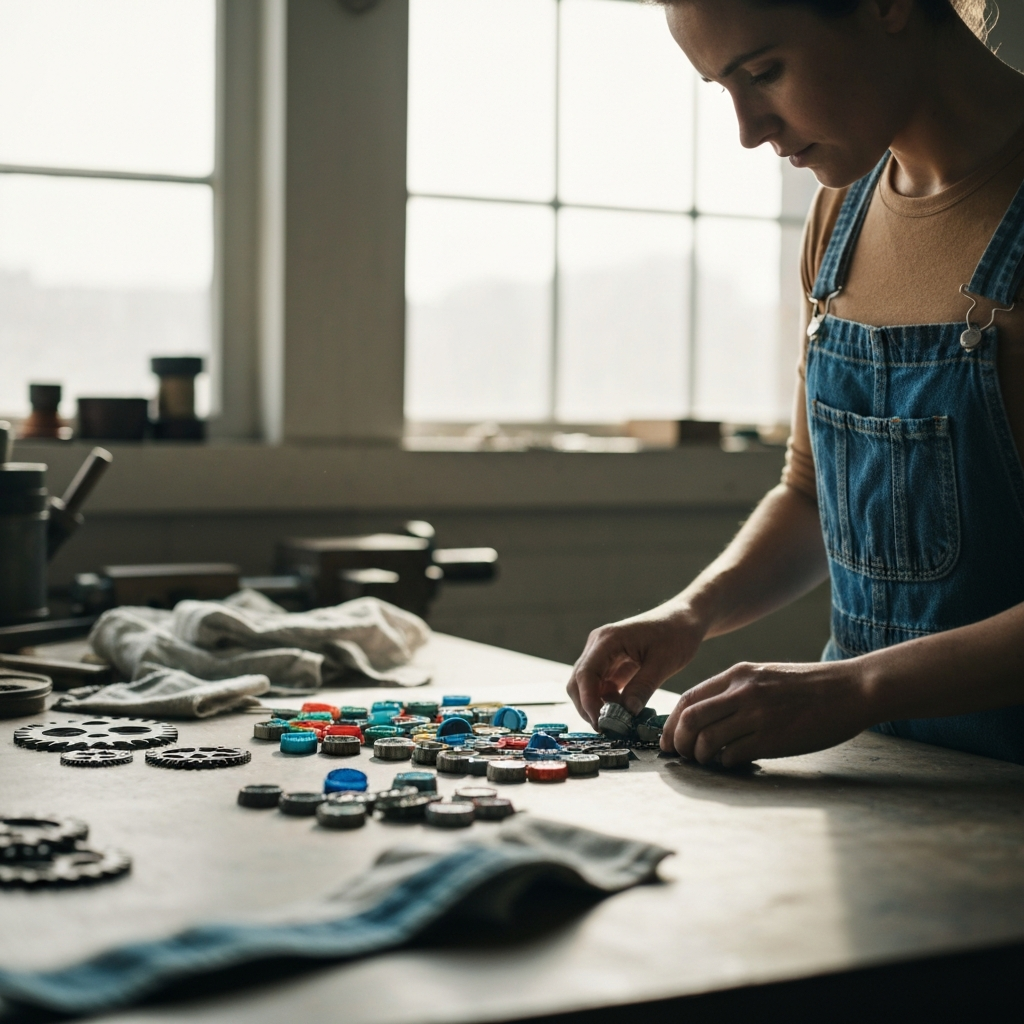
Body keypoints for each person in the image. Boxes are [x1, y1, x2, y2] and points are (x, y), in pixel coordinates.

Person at [567, 0, 1024, 767]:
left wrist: (853, 688)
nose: (749, 130)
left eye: (765, 72)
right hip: (886, 779)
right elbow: (815, 496)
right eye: (724, 88)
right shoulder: (838, 217)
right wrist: (690, 614)